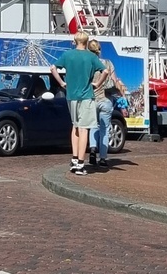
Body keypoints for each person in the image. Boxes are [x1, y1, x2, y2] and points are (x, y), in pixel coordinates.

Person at [50, 31, 106, 176]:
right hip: (86, 95)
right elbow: (105, 71)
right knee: (84, 129)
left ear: (75, 41)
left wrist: (62, 83)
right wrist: (97, 84)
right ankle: (81, 164)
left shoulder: (68, 55)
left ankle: (74, 159)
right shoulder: (91, 57)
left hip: (71, 96)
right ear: (87, 42)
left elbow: (53, 68)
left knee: (75, 127)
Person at [87, 38, 125, 169]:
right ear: (99, 50)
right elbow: (114, 80)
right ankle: (103, 158)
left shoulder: (88, 64)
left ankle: (92, 149)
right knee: (104, 129)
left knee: (93, 126)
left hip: (92, 99)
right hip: (106, 99)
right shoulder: (108, 63)